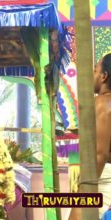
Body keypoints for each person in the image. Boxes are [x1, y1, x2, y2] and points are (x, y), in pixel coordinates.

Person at [69, 53, 111, 220]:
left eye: (95, 71)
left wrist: (85, 189)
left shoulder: (102, 103)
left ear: (104, 76)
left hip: (102, 176)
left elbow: (99, 155)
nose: (91, 75)